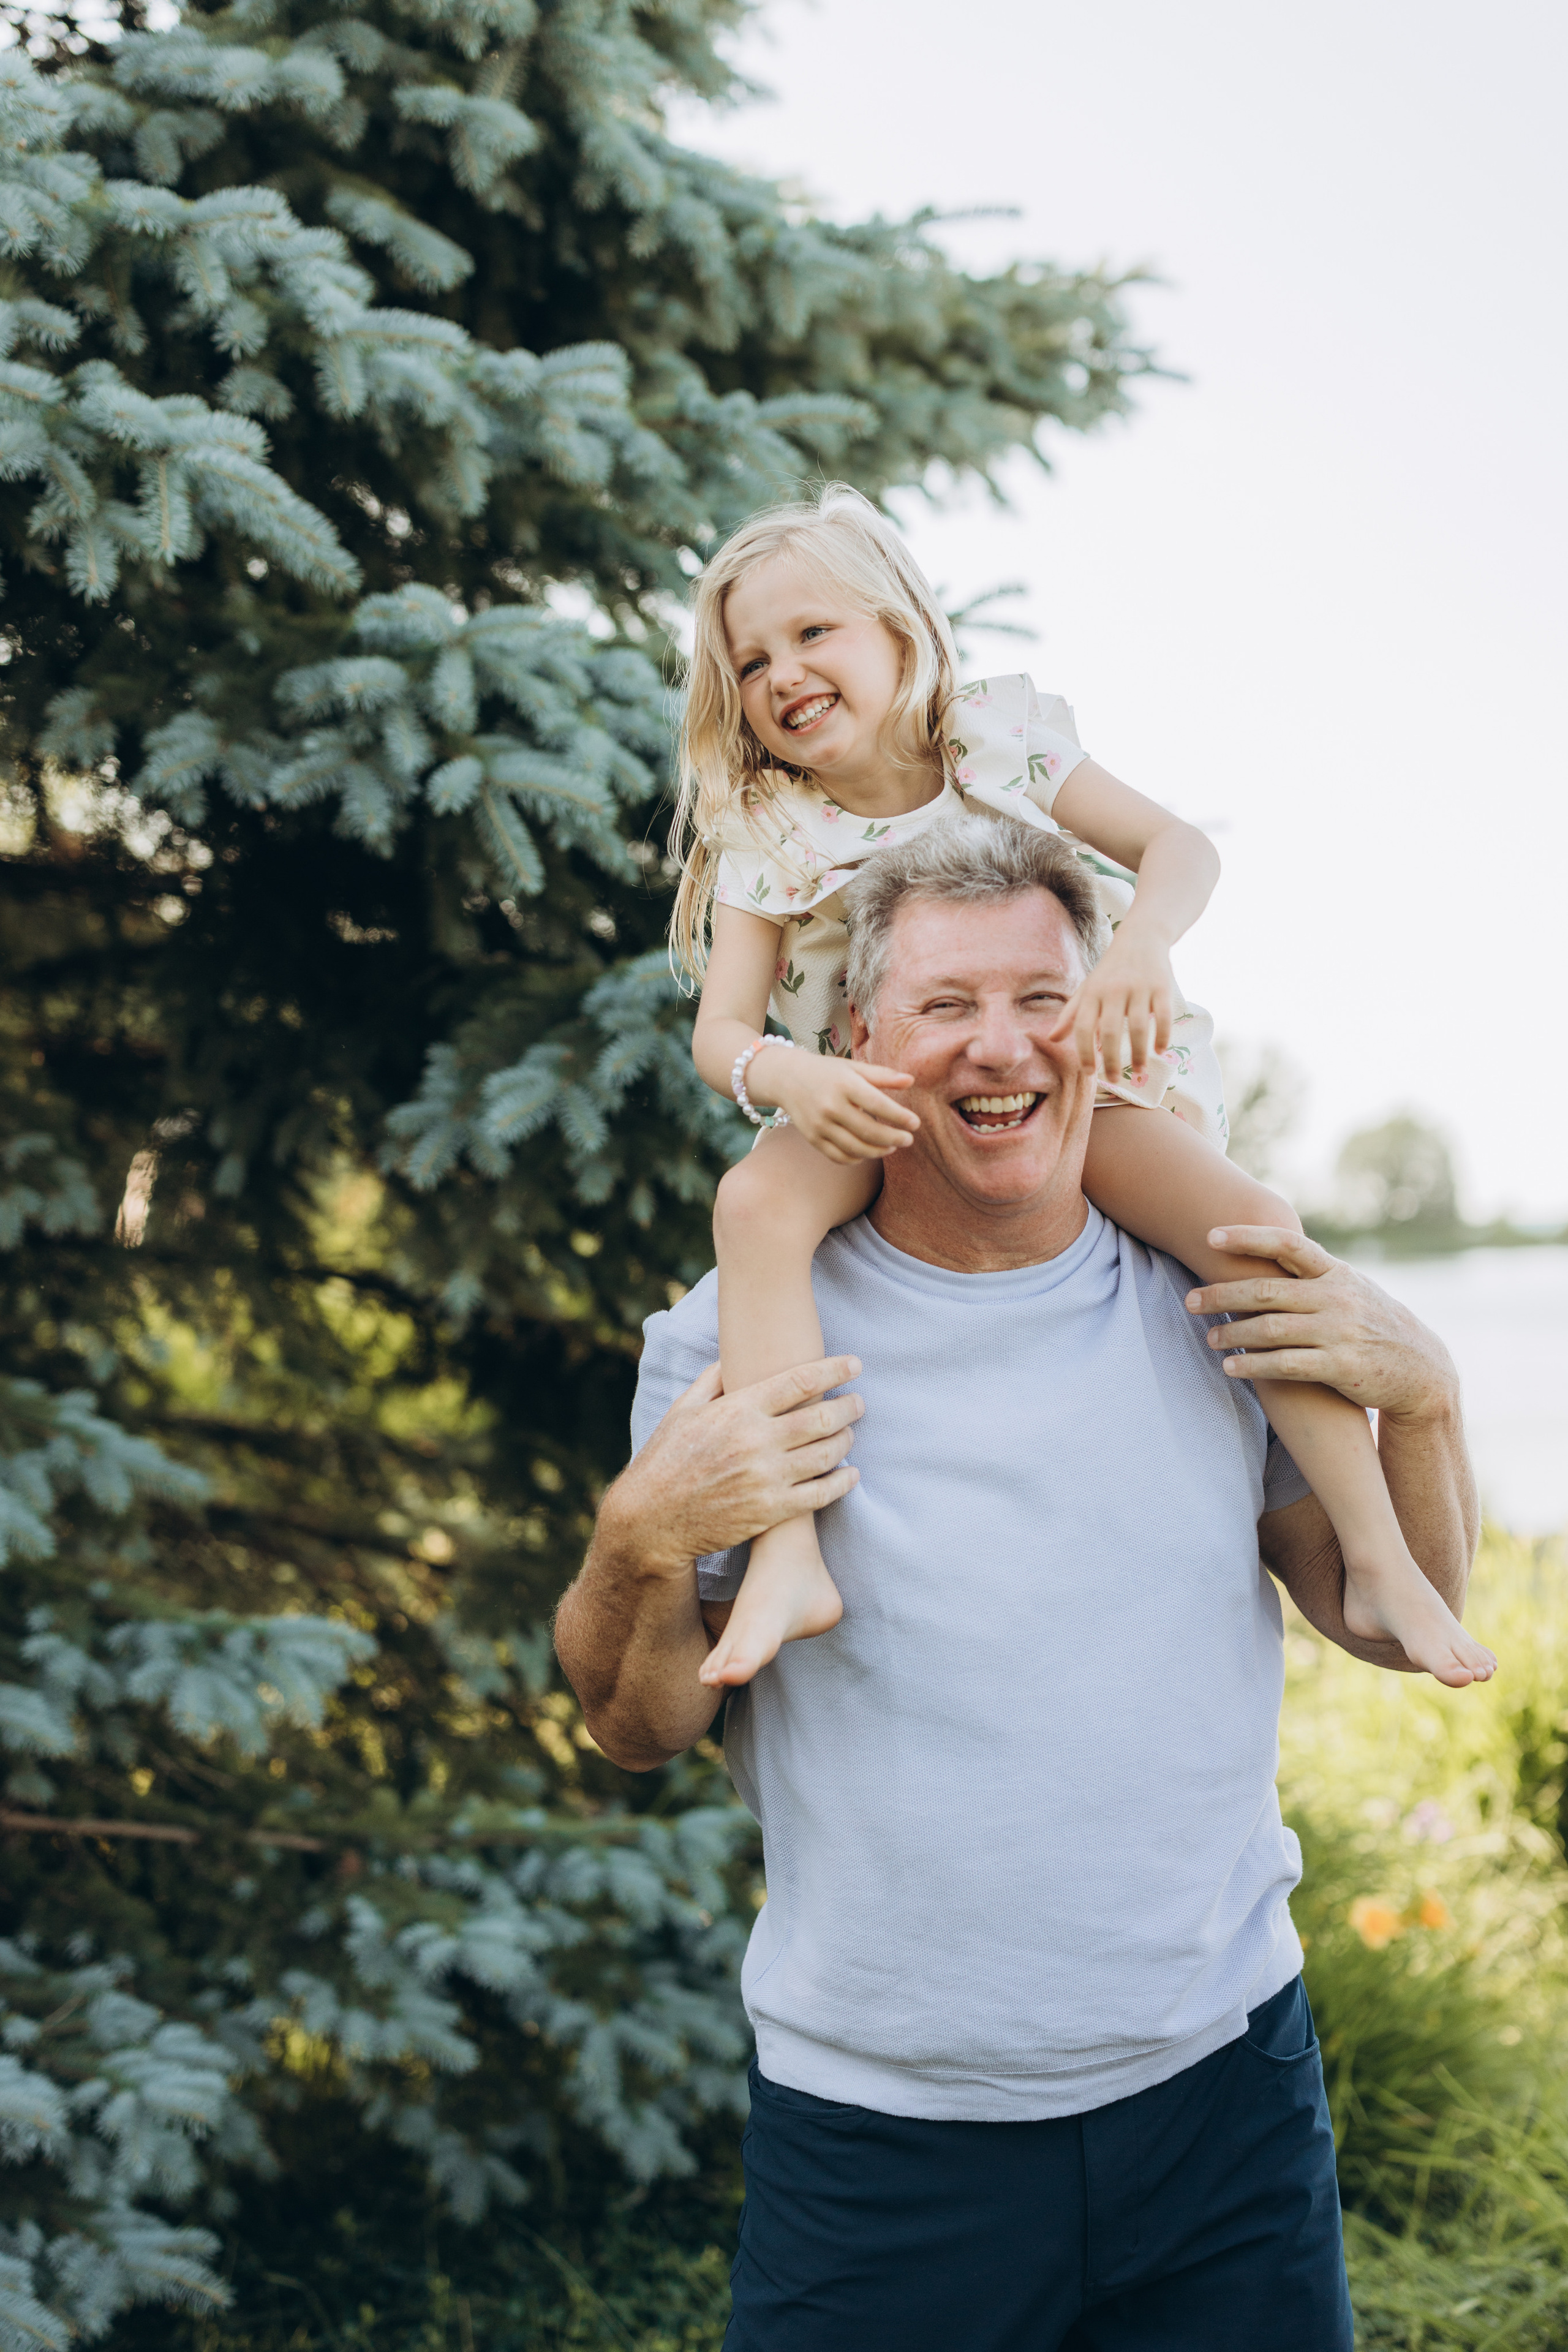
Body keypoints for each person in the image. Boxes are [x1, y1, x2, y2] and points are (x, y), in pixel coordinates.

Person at [555, 820, 1487, 2350]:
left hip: (1224, 2098)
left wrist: (1428, 1401)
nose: (1002, 1049)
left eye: (1041, 998)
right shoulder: (738, 1341)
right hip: (880, 2144)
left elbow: (1375, 1616)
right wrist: (639, 1537)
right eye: (943, 1007)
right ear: (857, 1043)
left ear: (1102, 1022)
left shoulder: (1213, 1298)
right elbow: (633, 1723)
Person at [666, 482, 1495, 1694]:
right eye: (747, 660)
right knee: (752, 1210)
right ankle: (789, 1553)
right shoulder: (767, 825)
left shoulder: (994, 740)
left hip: (1078, 1082)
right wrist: (788, 1071)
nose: (779, 672)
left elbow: (1181, 848)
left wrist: (1140, 945)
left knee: (1249, 1230)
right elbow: (720, 1030)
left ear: (899, 631)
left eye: (810, 634)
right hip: (880, 1103)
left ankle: (1374, 1555)